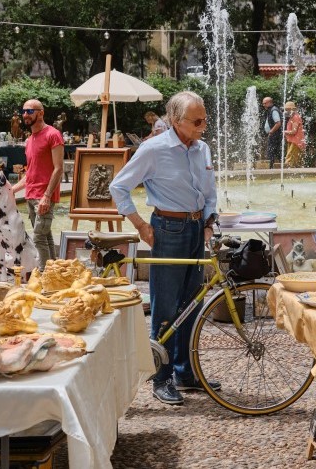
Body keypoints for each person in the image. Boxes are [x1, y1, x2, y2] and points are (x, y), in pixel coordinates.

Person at [109, 91, 219, 406]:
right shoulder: (153, 149)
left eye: (205, 119)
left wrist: (210, 222)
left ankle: (185, 372)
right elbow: (118, 187)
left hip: (198, 229)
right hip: (167, 230)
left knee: (192, 304)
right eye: (197, 121)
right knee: (166, 307)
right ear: (174, 120)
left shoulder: (203, 148)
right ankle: (161, 377)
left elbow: (210, 192)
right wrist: (141, 226)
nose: (203, 126)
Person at [11, 99, 64, 269]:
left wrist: (47, 196)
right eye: (24, 111)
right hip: (31, 195)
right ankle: (53, 272)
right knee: (45, 236)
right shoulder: (29, 140)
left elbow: (58, 168)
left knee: (38, 238)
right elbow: (30, 173)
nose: (25, 114)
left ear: (41, 113)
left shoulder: (53, 134)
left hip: (44, 196)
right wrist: (12, 190)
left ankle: (43, 276)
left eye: (30, 111)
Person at [260, 97, 283, 168]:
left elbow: (278, 123)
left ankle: (271, 168)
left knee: (271, 152)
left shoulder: (274, 110)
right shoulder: (271, 110)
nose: (263, 105)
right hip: (274, 134)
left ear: (270, 102)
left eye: (265, 103)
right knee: (275, 151)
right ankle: (275, 167)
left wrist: (271, 132)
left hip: (275, 135)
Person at [283, 101, 305, 167]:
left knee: (289, 159)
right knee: (294, 160)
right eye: (285, 109)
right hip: (292, 141)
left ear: (292, 109)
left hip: (296, 141)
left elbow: (293, 131)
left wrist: (284, 132)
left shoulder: (296, 117)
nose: (286, 111)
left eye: (287, 109)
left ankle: (287, 173)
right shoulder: (292, 117)